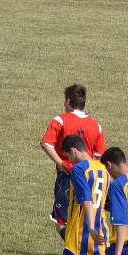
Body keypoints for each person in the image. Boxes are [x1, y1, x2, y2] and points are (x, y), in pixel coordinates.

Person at [26, 135, 110, 255]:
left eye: (68, 156)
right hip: (102, 234)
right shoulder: (103, 170)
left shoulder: (79, 170)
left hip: (80, 234)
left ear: (73, 150)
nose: (69, 161)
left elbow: (87, 199)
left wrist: (89, 226)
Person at [39, 84, 106, 233]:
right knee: (84, 217)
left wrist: (61, 163)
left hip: (67, 176)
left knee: (61, 222)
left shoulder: (60, 120)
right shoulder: (96, 126)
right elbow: (98, 156)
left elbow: (46, 143)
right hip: (90, 178)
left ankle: (75, 251)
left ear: (69, 101)